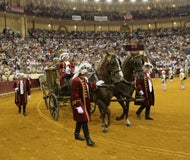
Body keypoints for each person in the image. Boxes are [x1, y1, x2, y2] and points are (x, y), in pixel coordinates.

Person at [71, 62, 104, 146]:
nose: (88, 72)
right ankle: (88, 139)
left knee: (80, 120)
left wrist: (95, 84)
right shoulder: (76, 80)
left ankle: (76, 134)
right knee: (84, 120)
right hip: (79, 103)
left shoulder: (84, 79)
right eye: (87, 70)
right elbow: (75, 94)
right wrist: (78, 106)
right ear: (83, 71)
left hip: (85, 103)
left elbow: (87, 86)